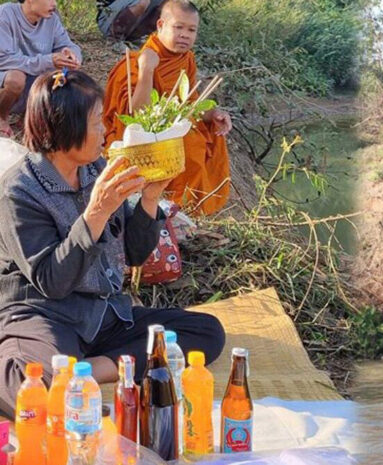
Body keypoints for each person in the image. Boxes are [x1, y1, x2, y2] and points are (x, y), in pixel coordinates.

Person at [0, 70, 225, 417]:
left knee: (205, 332)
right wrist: (96, 213)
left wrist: (150, 198)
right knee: (39, 396)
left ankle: (85, 370)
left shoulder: (98, 170)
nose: (105, 130)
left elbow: (133, 254)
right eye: (95, 123)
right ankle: (41, 363)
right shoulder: (19, 191)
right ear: (65, 127)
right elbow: (52, 282)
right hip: (43, 312)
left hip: (103, 313)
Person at [103, 0, 232, 215]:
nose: (185, 35)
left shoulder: (186, 59)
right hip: (144, 130)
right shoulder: (139, 60)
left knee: (207, 136)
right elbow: (135, 115)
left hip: (174, 123)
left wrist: (213, 114)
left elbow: (189, 102)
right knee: (188, 144)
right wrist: (146, 71)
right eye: (178, 27)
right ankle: (170, 202)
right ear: (161, 25)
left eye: (191, 30)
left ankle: (187, 207)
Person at [0, 0, 82, 138]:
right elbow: (4, 59)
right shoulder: (5, 15)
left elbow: (68, 45)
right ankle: (1, 118)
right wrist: (48, 60)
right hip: (6, 75)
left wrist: (72, 56)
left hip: (32, 76)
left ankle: (29, 117)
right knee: (16, 78)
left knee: (64, 75)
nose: (54, 4)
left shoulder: (51, 19)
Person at [96, 0, 163, 42]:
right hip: (107, 18)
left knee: (167, 3)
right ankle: (113, 39)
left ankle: (136, 39)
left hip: (130, 27)